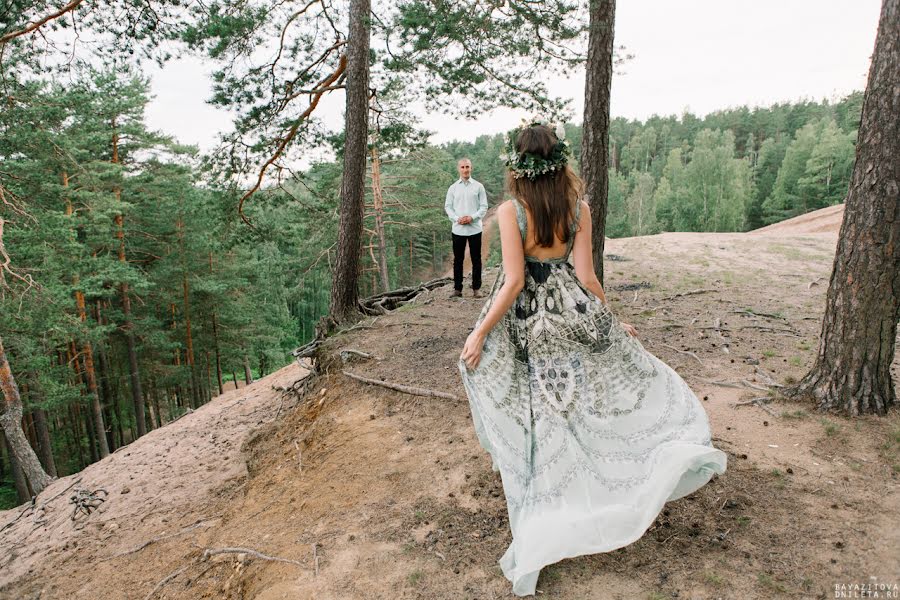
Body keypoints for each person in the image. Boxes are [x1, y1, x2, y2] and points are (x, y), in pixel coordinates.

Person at [458, 121, 727, 597]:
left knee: (530, 397)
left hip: (527, 317)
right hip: (571, 310)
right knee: (575, 396)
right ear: (560, 161)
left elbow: (514, 280)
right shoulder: (577, 208)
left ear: (517, 166)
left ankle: (538, 478)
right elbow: (585, 275)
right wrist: (607, 319)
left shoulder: (510, 211)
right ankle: (579, 477)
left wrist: (480, 331)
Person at [445, 158, 489, 298]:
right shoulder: (453, 188)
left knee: (476, 259)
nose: (465, 169)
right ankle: (457, 289)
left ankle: (476, 289)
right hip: (458, 229)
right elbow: (448, 207)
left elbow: (484, 207)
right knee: (458, 259)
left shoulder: (478, 187)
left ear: (471, 168)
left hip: (475, 228)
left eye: (467, 167)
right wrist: (457, 218)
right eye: (463, 167)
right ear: (459, 169)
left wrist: (472, 217)